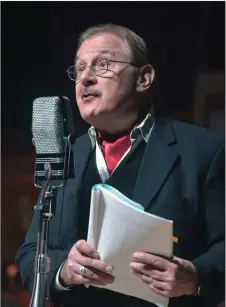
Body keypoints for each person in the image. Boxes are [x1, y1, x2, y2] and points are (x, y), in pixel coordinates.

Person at [16, 24, 224, 307]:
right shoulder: (63, 156)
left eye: (103, 64)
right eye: (79, 69)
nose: (86, 78)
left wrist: (196, 278)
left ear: (143, 78)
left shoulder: (203, 152)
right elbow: (30, 252)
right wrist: (64, 270)